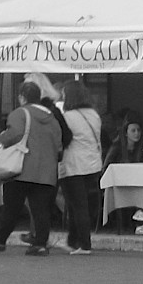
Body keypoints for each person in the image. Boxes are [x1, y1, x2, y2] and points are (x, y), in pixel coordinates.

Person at [0, 82, 65, 256]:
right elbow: (59, 144)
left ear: (22, 97)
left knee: (12, 207)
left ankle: (0, 239)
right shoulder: (52, 118)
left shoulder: (20, 113)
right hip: (46, 171)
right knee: (41, 210)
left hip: (22, 168)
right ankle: (40, 244)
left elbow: (13, 135)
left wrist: (2, 136)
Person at [56, 80, 105, 256]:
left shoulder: (67, 117)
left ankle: (84, 244)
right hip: (92, 164)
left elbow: (63, 139)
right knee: (84, 204)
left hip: (73, 165)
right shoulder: (94, 114)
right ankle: (73, 241)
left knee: (77, 205)